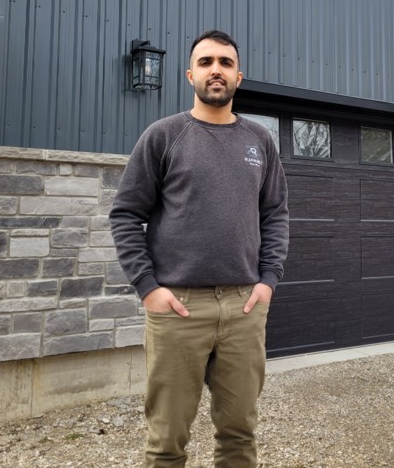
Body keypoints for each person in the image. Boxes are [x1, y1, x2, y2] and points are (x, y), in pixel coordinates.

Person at [110, 29, 290, 468]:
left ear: (238, 76)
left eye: (225, 63)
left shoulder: (260, 141)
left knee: (239, 433)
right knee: (167, 440)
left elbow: (276, 214)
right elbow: (125, 214)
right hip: (178, 309)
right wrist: (149, 288)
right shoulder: (163, 135)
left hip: (244, 308)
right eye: (206, 62)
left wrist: (267, 282)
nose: (216, 71)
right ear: (190, 73)